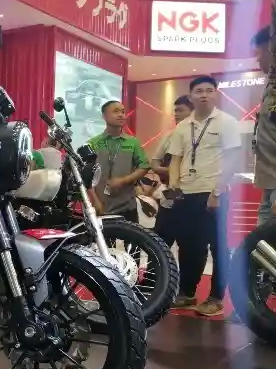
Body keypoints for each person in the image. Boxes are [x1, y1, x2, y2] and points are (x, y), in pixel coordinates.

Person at [167, 75, 241, 316]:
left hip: (213, 192)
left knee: (218, 248)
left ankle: (216, 298)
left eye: (209, 90)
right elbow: (176, 159)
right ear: (191, 96)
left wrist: (217, 191)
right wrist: (174, 185)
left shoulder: (227, 122)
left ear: (216, 93)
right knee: (190, 247)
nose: (204, 95)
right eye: (199, 91)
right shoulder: (182, 126)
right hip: (187, 193)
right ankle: (187, 293)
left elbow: (233, 159)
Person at [87, 100, 150, 223]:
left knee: (131, 235)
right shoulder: (93, 143)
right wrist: (95, 200)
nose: (121, 115)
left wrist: (123, 180)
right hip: (101, 206)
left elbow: (144, 166)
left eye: (122, 111)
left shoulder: (133, 142)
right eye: (116, 111)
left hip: (127, 206)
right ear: (104, 116)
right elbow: (87, 176)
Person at [150, 95, 194, 246]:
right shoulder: (169, 136)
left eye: (180, 110)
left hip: (193, 195)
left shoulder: (202, 137)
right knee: (160, 242)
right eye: (175, 111)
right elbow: (154, 164)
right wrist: (172, 171)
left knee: (189, 244)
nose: (176, 114)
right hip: (171, 192)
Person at [251, 19, 276, 225]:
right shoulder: (270, 85)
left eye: (258, 53)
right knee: (261, 241)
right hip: (269, 181)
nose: (257, 59)